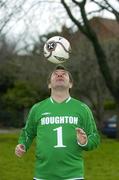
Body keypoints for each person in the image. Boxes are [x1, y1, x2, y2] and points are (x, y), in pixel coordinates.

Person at [15, 65, 100, 180]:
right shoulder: (38, 108)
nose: (59, 75)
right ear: (49, 84)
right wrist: (22, 145)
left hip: (73, 175)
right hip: (43, 175)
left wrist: (85, 142)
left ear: (71, 84)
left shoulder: (82, 108)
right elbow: (28, 133)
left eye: (64, 74)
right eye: (55, 74)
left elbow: (94, 137)